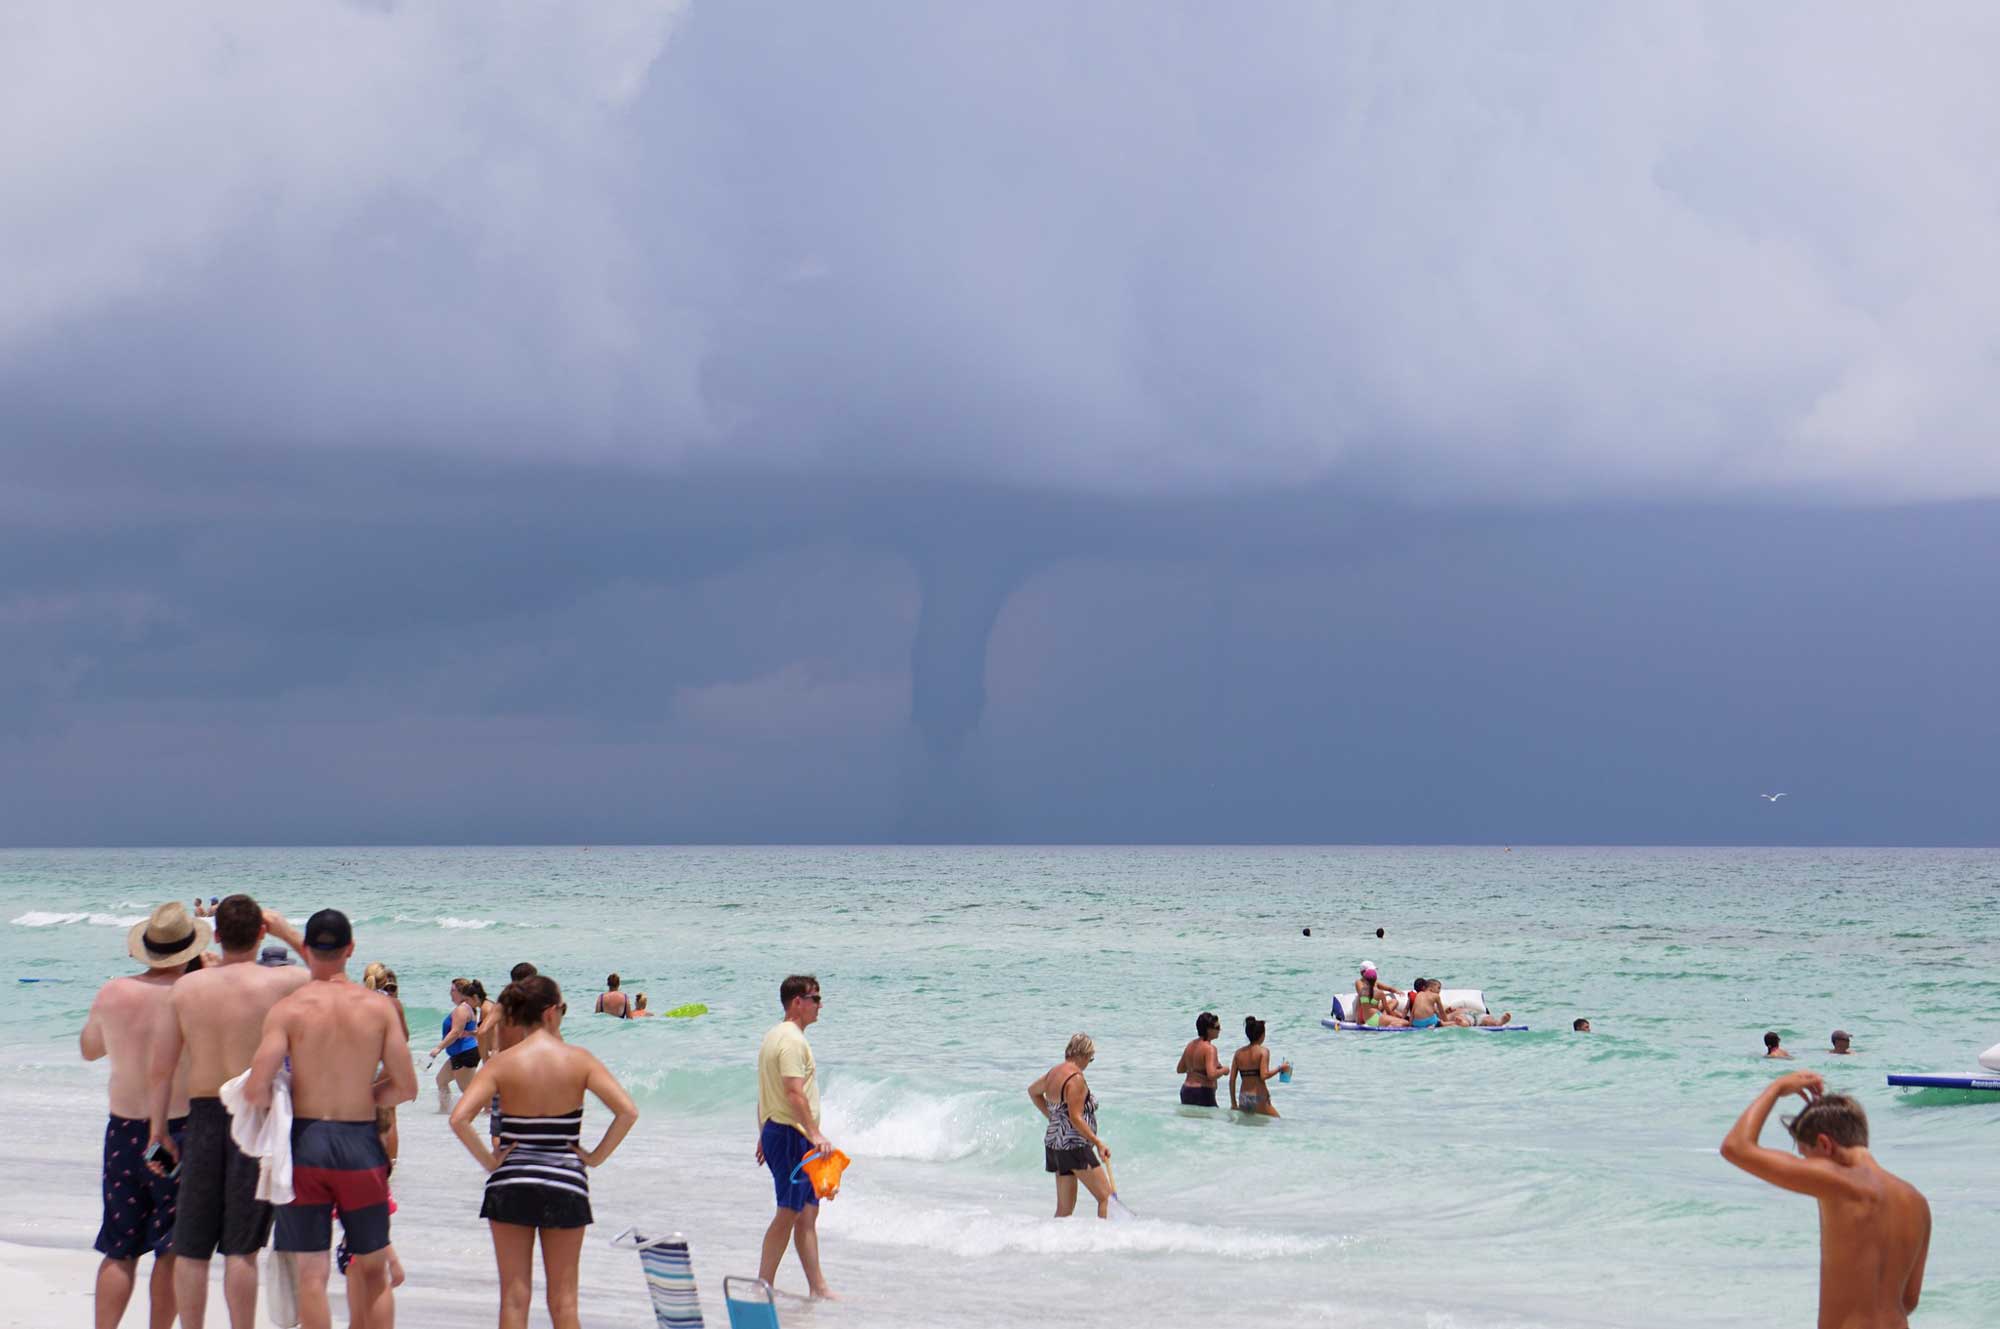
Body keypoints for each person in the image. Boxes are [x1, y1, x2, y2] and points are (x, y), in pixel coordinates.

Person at [245, 909, 417, 1329]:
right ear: (350, 950)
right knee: (374, 1271)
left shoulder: (288, 1010)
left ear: (305, 950)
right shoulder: (378, 1010)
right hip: (361, 1143)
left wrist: (287, 1099)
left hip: (305, 1144)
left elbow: (255, 1088)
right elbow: (407, 1086)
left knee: (311, 1275)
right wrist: (368, 1095)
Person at [147, 897, 309, 1329]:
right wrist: (288, 931)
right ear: (261, 934)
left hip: (201, 1115)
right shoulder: (284, 982)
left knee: (192, 1246)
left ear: (215, 934)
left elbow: (161, 1069)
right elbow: (334, 977)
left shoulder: (186, 989)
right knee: (241, 1249)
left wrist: (158, 1128)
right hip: (255, 1116)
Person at [449, 976, 639, 1329]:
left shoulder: (502, 1063)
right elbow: (627, 1112)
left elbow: (460, 1119)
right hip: (565, 1182)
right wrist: (594, 1157)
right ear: (551, 1012)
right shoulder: (579, 1059)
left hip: (510, 1183)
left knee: (514, 1299)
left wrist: (492, 1163)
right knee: (564, 1302)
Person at [1720, 1071, 1929, 1328]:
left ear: (1825, 1144)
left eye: (1807, 1157)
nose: (1809, 1168)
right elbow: (1908, 1300)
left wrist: (1777, 1087)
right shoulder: (1917, 1202)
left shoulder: (1840, 1181)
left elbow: (1736, 1147)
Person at [82, 901, 208, 1329]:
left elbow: (89, 1049)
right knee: (170, 1245)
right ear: (188, 950)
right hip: (176, 1132)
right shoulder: (193, 995)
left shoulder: (113, 992)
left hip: (123, 1130)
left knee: (119, 1247)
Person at [756, 974, 834, 1296]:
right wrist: (815, 1134)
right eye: (815, 998)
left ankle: (818, 1288)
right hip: (791, 1135)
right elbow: (792, 1092)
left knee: (807, 1214)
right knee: (788, 1211)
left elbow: (763, 1093)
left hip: (784, 1132)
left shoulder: (775, 1035)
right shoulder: (791, 1040)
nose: (820, 1004)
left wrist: (762, 1132)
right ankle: (763, 1283)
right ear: (797, 1003)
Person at [1029, 1033, 1114, 1218]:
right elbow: (1075, 1118)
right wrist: (1098, 1143)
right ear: (1083, 1054)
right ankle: (1105, 1243)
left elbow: (1033, 1091)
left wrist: (1053, 1118)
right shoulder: (1075, 1079)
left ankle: (1051, 1243)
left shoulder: (1053, 1073)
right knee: (1106, 1198)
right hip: (1074, 1146)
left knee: (1064, 1210)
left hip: (1055, 1145)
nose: (1088, 1064)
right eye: (1090, 1059)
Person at [427, 978, 482, 1111]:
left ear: (461, 993)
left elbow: (456, 1032)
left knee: (469, 1092)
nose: (450, 993)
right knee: (441, 1080)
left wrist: (439, 1048)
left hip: (465, 1053)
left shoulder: (462, 1010)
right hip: (459, 1053)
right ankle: (444, 1111)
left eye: (453, 990)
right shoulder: (465, 1008)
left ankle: (488, 1111)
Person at [1230, 1017, 1291, 1117]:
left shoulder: (1238, 1053)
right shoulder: (1263, 1051)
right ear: (1262, 1035)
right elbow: (1264, 1075)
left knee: (1250, 1127)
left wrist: (1233, 1102)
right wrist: (1280, 1068)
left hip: (1244, 1097)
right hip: (1259, 1097)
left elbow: (1232, 1079)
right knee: (1277, 1121)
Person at [1176, 1012, 1226, 1106]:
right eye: (1217, 1027)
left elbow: (1180, 1069)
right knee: (1209, 1120)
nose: (1220, 1030)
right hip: (1202, 1092)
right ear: (1209, 1030)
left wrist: (1195, 1069)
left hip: (1186, 1090)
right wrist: (1224, 1070)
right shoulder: (1210, 1048)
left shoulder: (1190, 1045)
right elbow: (1211, 1074)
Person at [1351, 963, 1408, 1027]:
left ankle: (1395, 1019)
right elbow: (1388, 1011)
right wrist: (1395, 1019)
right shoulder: (1379, 993)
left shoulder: (1362, 991)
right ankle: (1391, 1025)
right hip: (1376, 1018)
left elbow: (1358, 1007)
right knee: (1406, 1023)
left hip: (1367, 1019)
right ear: (1375, 979)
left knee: (1395, 1010)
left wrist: (1358, 1022)